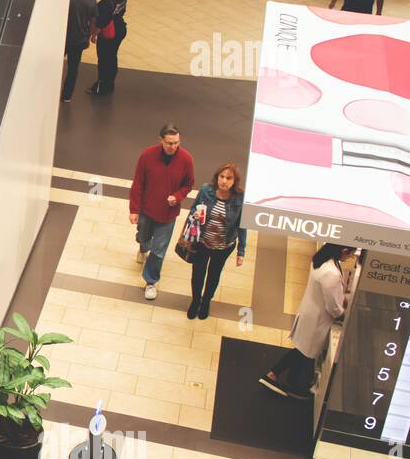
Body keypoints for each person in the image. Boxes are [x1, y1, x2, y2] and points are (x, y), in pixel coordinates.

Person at [259, 244, 355, 399]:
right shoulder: (331, 273)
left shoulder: (322, 259)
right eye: (350, 254)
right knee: (306, 353)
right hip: (318, 320)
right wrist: (344, 314)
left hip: (310, 313)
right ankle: (288, 381)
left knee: (302, 350)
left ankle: (279, 376)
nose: (350, 257)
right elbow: (333, 307)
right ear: (344, 251)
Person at [129, 123, 195, 301]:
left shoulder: (186, 159)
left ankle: (150, 281)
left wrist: (178, 196)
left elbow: (188, 184)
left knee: (158, 251)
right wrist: (134, 209)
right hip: (146, 211)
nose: (173, 147)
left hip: (168, 215)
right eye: (169, 143)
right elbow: (138, 183)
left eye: (177, 143)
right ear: (161, 140)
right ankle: (143, 247)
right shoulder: (147, 155)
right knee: (143, 237)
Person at [183, 163, 248, 320]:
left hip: (224, 246)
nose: (224, 181)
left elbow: (242, 225)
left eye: (228, 178)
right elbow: (193, 209)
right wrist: (195, 215)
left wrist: (241, 251)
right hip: (202, 242)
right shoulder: (206, 190)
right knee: (198, 274)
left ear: (234, 181)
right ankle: (196, 300)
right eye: (222, 177)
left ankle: (206, 301)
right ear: (217, 177)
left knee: (214, 275)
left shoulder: (239, 198)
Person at [88, 0, 127, 95]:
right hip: (120, 29)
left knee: (104, 59)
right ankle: (110, 83)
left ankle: (101, 86)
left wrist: (94, 34)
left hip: (108, 33)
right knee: (112, 57)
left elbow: (102, 21)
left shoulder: (104, 4)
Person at [62, 0, 97, 102]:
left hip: (64, 38)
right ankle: (67, 95)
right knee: (73, 68)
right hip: (80, 39)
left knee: (56, 64)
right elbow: (93, 20)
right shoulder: (91, 0)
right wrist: (92, 35)